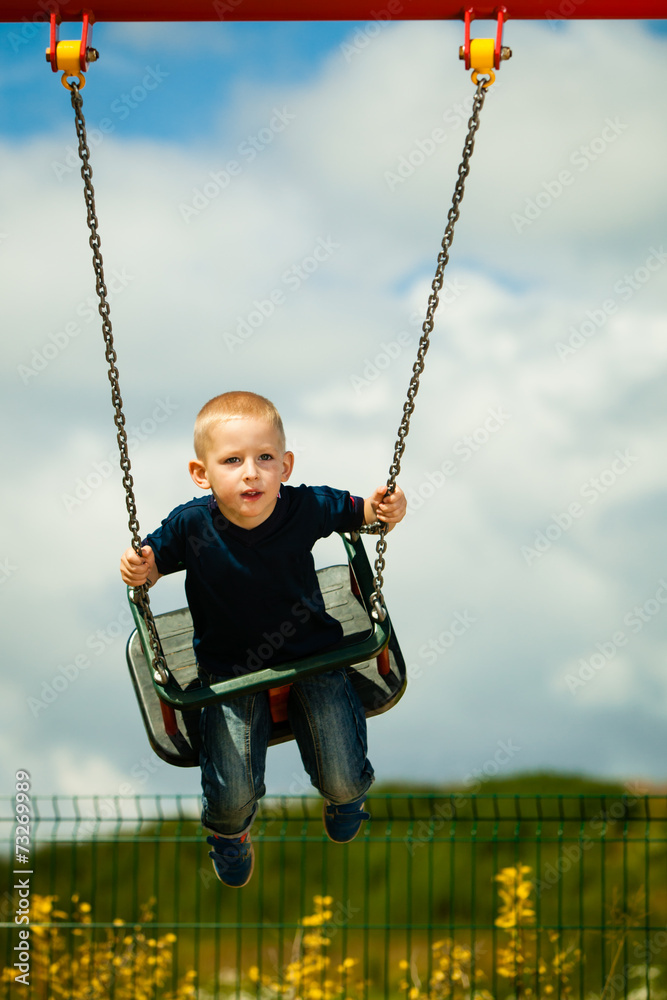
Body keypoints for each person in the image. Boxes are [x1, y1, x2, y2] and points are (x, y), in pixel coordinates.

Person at [120, 391, 406, 888]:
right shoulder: (192, 525)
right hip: (229, 671)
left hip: (314, 655)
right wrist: (139, 567)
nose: (250, 472)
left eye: (264, 458)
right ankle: (230, 836)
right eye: (232, 461)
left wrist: (387, 508)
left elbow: (362, 513)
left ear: (285, 465)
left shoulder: (306, 507)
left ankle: (347, 799)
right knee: (230, 797)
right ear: (201, 474)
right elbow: (151, 564)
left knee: (341, 772)